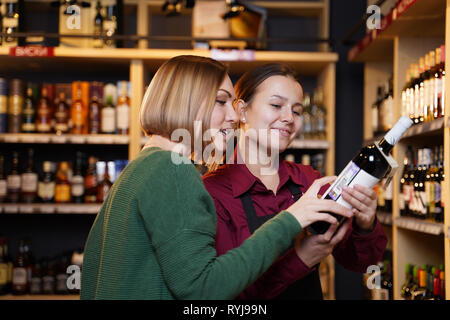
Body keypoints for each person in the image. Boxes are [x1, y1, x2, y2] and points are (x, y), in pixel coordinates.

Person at [80, 56, 353, 300]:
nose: (234, 116)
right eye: (221, 101)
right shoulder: (173, 170)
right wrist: (292, 219)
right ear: (185, 101)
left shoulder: (141, 167)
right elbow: (204, 289)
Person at [202, 63, 388, 300]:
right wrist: (300, 259)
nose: (289, 118)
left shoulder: (309, 181)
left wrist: (365, 224)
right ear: (242, 110)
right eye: (276, 105)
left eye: (297, 111)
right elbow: (223, 293)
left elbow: (360, 262)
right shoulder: (214, 192)